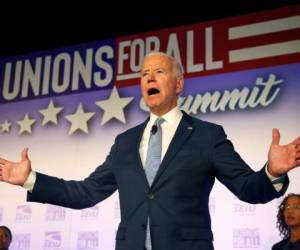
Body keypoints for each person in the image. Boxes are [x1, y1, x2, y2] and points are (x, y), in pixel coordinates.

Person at [0, 52, 300, 250]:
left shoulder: (208, 136)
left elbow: (248, 188)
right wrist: (31, 179)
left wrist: (272, 172)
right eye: (144, 74)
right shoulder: (124, 142)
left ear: (179, 83)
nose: (149, 78)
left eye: (158, 72)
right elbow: (86, 193)